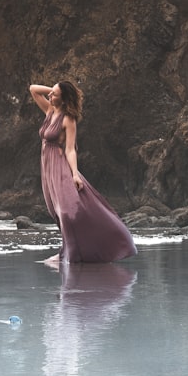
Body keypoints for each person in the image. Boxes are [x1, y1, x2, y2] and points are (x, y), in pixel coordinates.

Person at [30, 81, 137, 263]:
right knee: (55, 211)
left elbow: (71, 149)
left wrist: (75, 174)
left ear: (63, 99)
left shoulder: (67, 119)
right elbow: (33, 89)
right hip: (46, 167)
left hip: (59, 164)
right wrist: (56, 92)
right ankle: (68, 250)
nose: (50, 96)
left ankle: (78, 251)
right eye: (51, 93)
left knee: (67, 211)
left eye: (54, 95)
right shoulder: (49, 110)